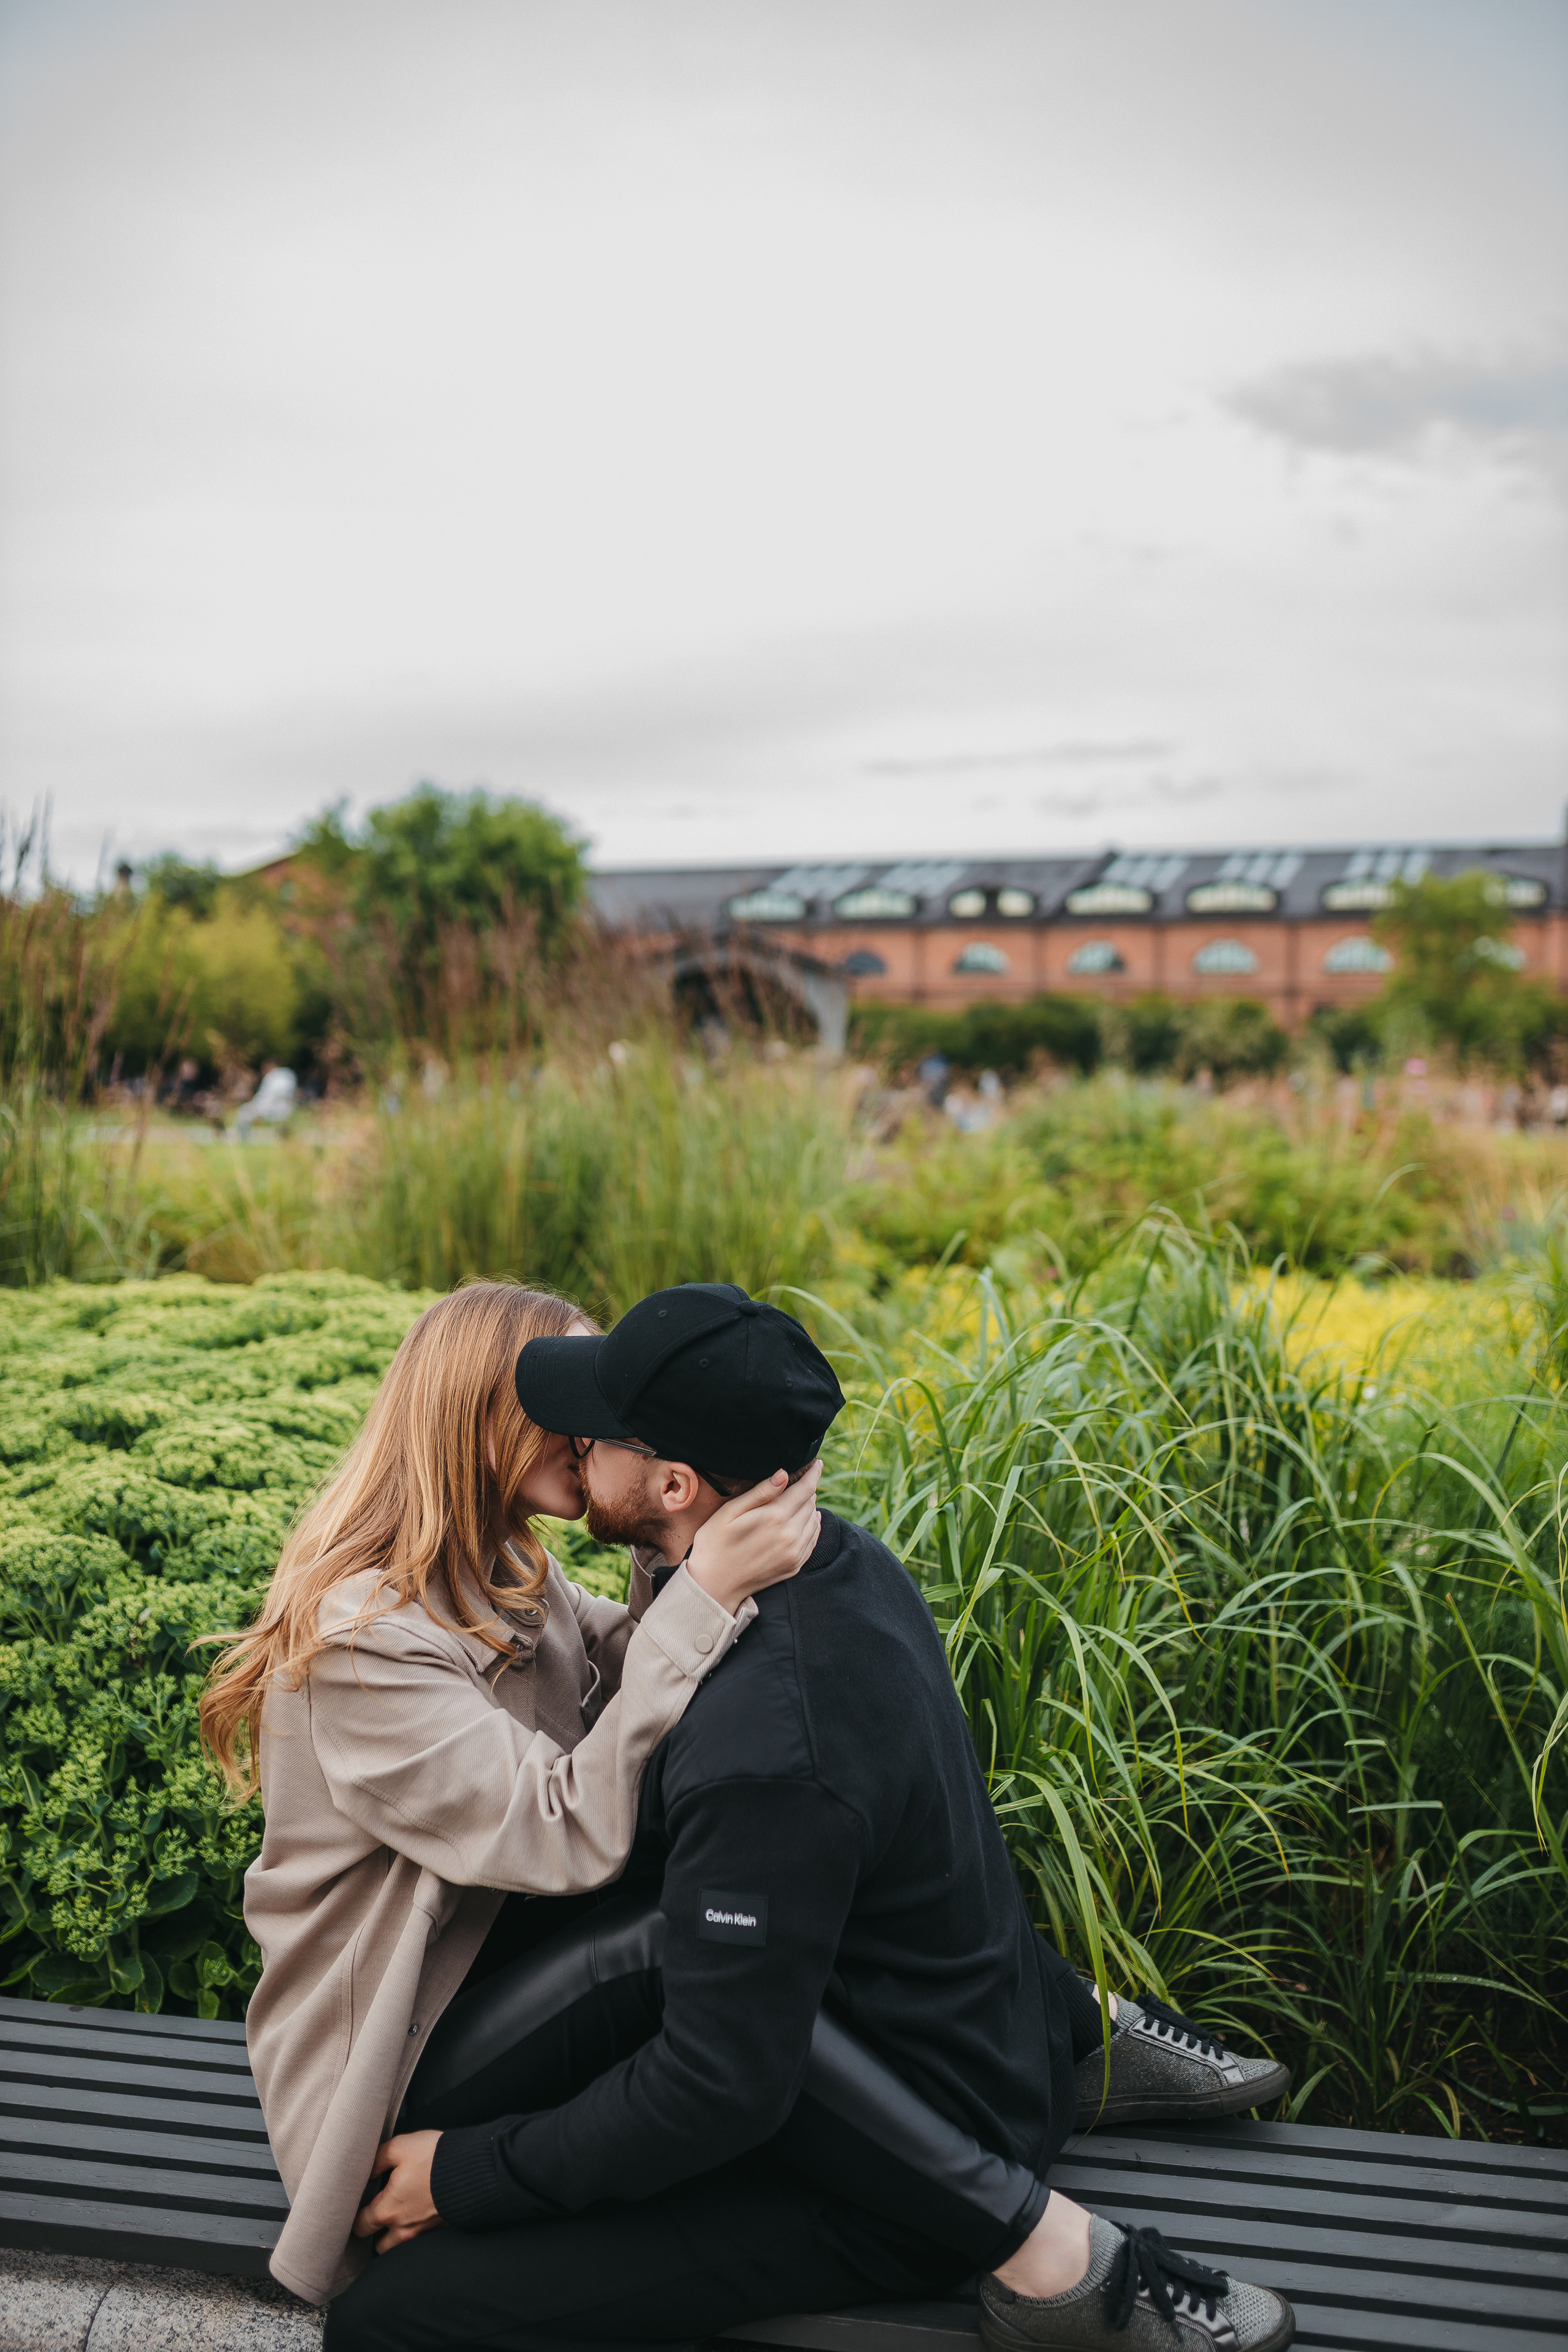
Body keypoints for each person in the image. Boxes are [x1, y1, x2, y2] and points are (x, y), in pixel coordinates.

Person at [327, 1284, 1295, 2352]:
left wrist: (467, 2177)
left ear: (677, 1481)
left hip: (900, 2177)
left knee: (387, 2325)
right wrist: (692, 1570)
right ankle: (1074, 2028)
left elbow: (719, 2082)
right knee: (688, 1947)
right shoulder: (846, 1567)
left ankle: (1057, 2256)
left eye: (591, 1425)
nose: (570, 1434)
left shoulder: (758, 1742)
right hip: (953, 2063)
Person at [200, 1281, 823, 2305]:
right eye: (571, 1405)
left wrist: (676, 1526)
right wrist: (707, 1591)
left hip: (503, 1960)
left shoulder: (503, 1568)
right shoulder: (368, 1639)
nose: (595, 1431)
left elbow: (638, 1667)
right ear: (480, 1415)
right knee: (685, 1945)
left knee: (764, 1899)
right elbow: (559, 1830)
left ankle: (1048, 2032)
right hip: (400, 2046)